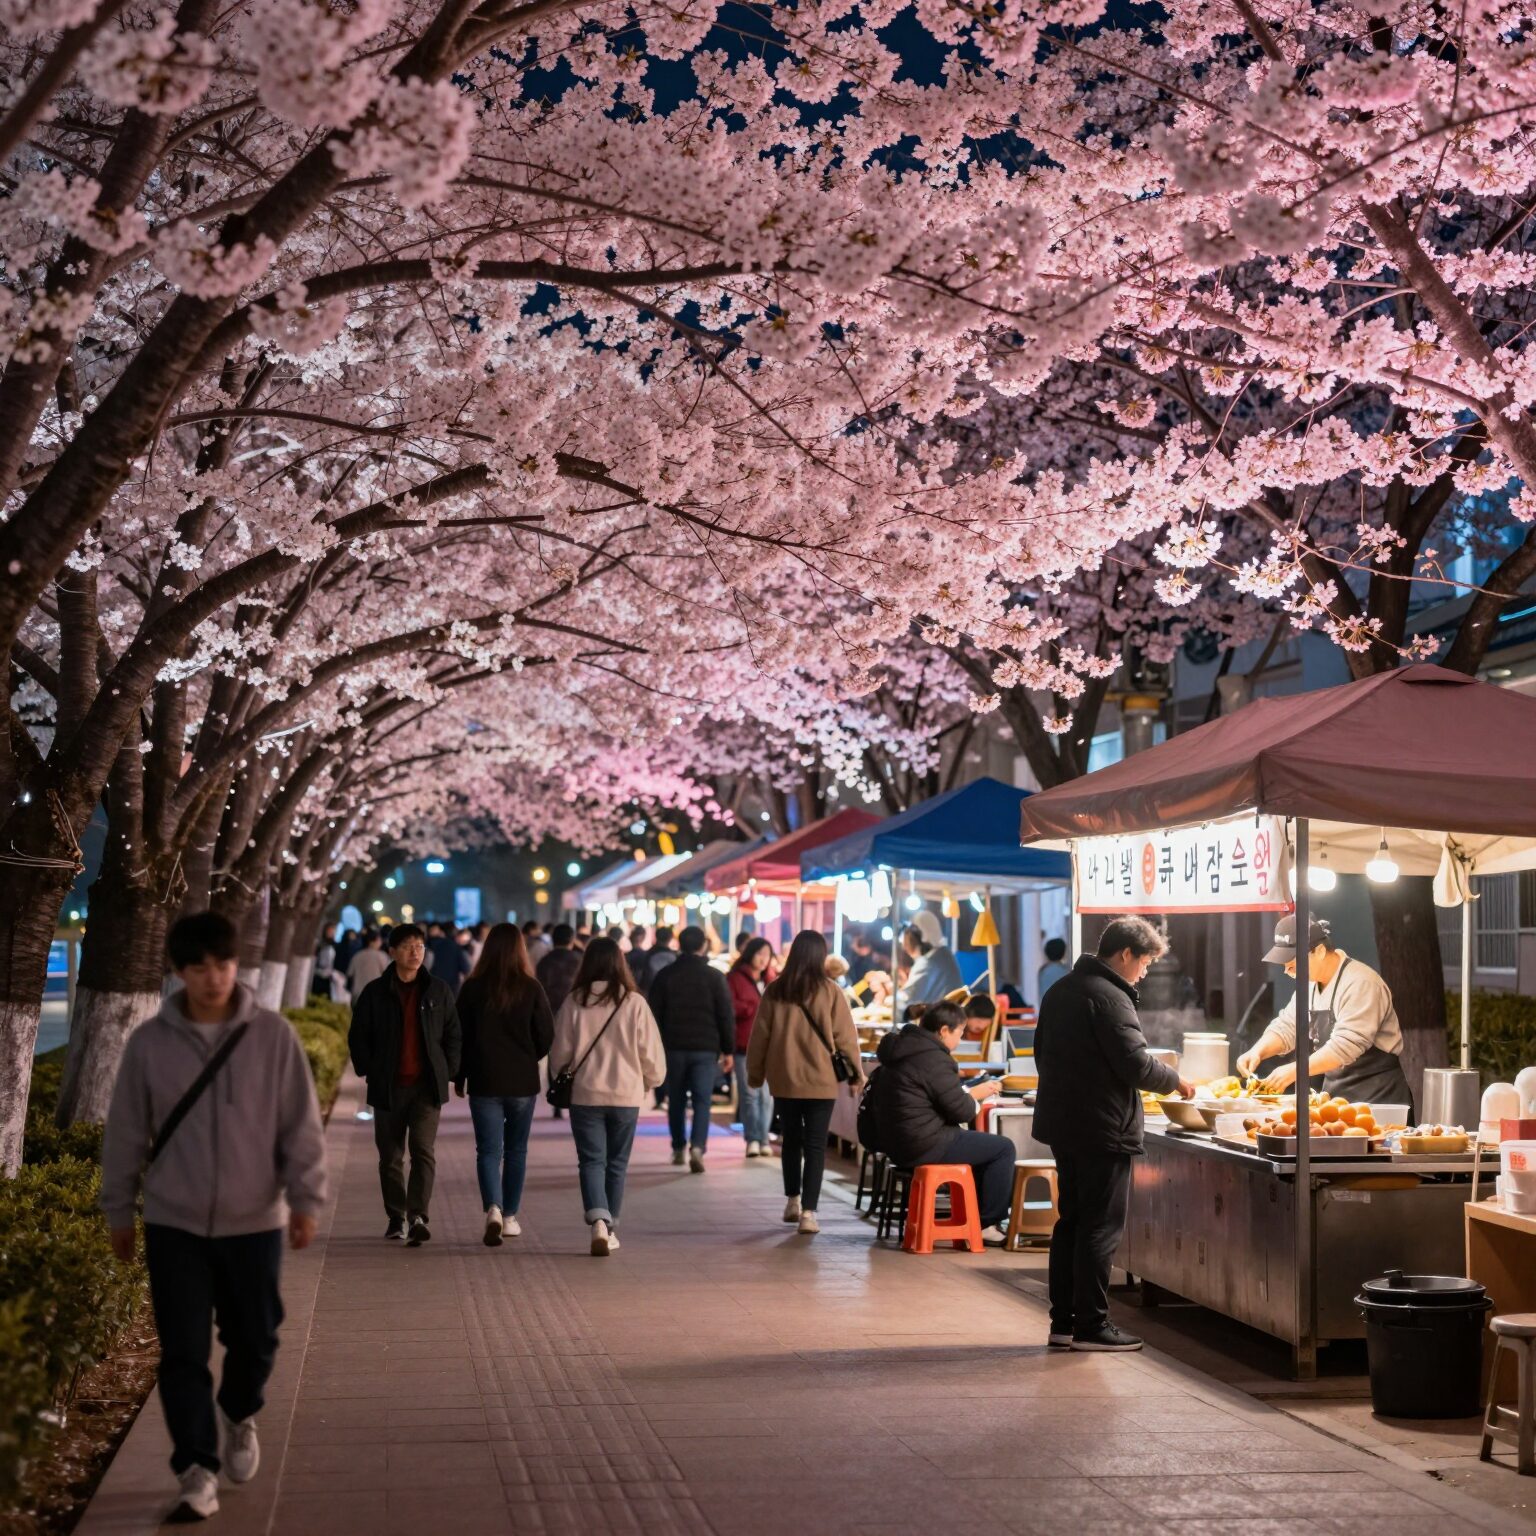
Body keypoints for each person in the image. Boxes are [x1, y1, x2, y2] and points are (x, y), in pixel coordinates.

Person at [102, 912, 326, 1523]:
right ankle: (195, 1467)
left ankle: (239, 1410)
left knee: (256, 1339)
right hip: (175, 1221)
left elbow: (299, 1126)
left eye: (222, 965)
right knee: (182, 1350)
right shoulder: (149, 1044)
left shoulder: (272, 1036)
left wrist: (305, 1199)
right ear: (179, 972)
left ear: (236, 965)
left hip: (253, 1219)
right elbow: (125, 1132)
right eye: (198, 967)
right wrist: (118, 1208)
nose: (213, 978)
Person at [1033, 916, 1193, 1353]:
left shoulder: (1061, 990)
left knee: (1072, 1223)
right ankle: (1092, 1325)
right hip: (1102, 1129)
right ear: (1125, 954)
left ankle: (1063, 1323)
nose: (1144, 972)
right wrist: (1175, 1079)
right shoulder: (1110, 998)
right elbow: (1136, 1065)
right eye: (1144, 963)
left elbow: (1040, 1051)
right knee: (1099, 1229)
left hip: (1065, 1126)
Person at [347, 923, 462, 1248]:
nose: (415, 952)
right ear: (393, 951)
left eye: (420, 946)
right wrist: (370, 1068)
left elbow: (454, 1033)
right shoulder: (375, 992)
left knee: (423, 1152)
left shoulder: (437, 990)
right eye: (408, 946)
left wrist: (448, 1070)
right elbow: (358, 1036)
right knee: (390, 1157)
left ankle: (418, 1216)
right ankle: (396, 1216)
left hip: (426, 1088)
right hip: (388, 1087)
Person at [550, 937, 667, 1255]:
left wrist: (558, 1073)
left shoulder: (575, 1001)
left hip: (586, 1094)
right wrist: (652, 1080)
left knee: (591, 1160)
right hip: (626, 1095)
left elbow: (560, 1051)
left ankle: (597, 1220)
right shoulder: (634, 1002)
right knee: (617, 1163)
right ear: (620, 963)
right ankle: (610, 1223)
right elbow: (650, 1053)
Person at [1236, 914, 1415, 1117]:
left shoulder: (1361, 983)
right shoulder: (1310, 985)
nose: (1286, 970)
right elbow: (1287, 1025)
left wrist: (1295, 1070)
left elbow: (1346, 1046)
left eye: (1292, 962)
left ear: (1319, 951)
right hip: (1336, 1101)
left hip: (1380, 1101)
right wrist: (1258, 1051)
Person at [747, 930, 863, 1235]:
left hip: (784, 1079)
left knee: (791, 1142)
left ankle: (793, 1200)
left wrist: (755, 1074)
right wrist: (855, 1075)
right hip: (821, 1080)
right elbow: (846, 1039)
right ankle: (809, 1213)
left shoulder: (775, 990)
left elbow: (760, 1037)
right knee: (815, 1145)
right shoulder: (831, 991)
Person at [867, 1000, 1014, 1242]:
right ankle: (987, 1223)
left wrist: (966, 1094)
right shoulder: (934, 1059)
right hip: (924, 1143)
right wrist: (976, 1094)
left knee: (980, 1147)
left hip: (898, 1142)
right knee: (1003, 1149)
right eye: (960, 1033)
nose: (960, 1039)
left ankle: (971, 1218)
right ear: (944, 1030)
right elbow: (961, 1112)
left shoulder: (903, 1050)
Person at [454, 923, 554, 1246]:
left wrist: (461, 1075)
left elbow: (459, 1037)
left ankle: (493, 1209)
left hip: (484, 1079)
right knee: (516, 1150)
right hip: (522, 1081)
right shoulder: (531, 987)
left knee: (487, 1150)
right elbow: (546, 1036)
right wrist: (529, 1056)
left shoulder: (472, 989)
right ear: (520, 949)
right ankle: (510, 1215)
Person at [649, 925, 735, 1171]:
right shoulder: (714, 977)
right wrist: (728, 1050)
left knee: (675, 1098)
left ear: (680, 945)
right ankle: (697, 1147)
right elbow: (725, 1016)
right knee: (701, 1099)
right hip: (705, 1048)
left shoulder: (666, 975)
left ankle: (678, 1147)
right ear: (703, 946)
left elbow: (653, 1013)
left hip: (673, 1046)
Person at [728, 938, 776, 1157]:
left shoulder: (771, 981)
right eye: (760, 954)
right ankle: (752, 1139)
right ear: (751, 954)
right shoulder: (736, 978)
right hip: (743, 1045)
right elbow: (729, 1007)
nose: (764, 959)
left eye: (767, 955)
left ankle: (764, 1137)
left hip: (770, 1045)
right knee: (749, 1095)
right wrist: (752, 1007)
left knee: (766, 1096)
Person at [898, 916, 964, 1015]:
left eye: (907, 944)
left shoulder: (927, 963)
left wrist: (891, 993)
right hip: (949, 1017)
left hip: (939, 1021)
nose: (906, 950)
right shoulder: (944, 954)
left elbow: (909, 999)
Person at [536, 922, 583, 1016]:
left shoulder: (544, 962)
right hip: (574, 1012)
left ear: (553, 939)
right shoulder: (579, 960)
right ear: (572, 940)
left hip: (549, 1013)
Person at [427, 920, 471, 995]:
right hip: (451, 987)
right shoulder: (456, 947)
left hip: (434, 985)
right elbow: (465, 968)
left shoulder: (431, 945)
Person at [632, 925, 677, 995]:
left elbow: (639, 976)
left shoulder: (646, 955)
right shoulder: (675, 957)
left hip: (649, 991)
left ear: (656, 936)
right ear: (670, 938)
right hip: (669, 992)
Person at [346, 928, 389, 995]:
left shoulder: (357, 955)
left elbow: (350, 974)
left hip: (358, 994)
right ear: (371, 942)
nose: (381, 942)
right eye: (379, 940)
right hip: (375, 993)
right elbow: (388, 974)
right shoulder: (381, 956)